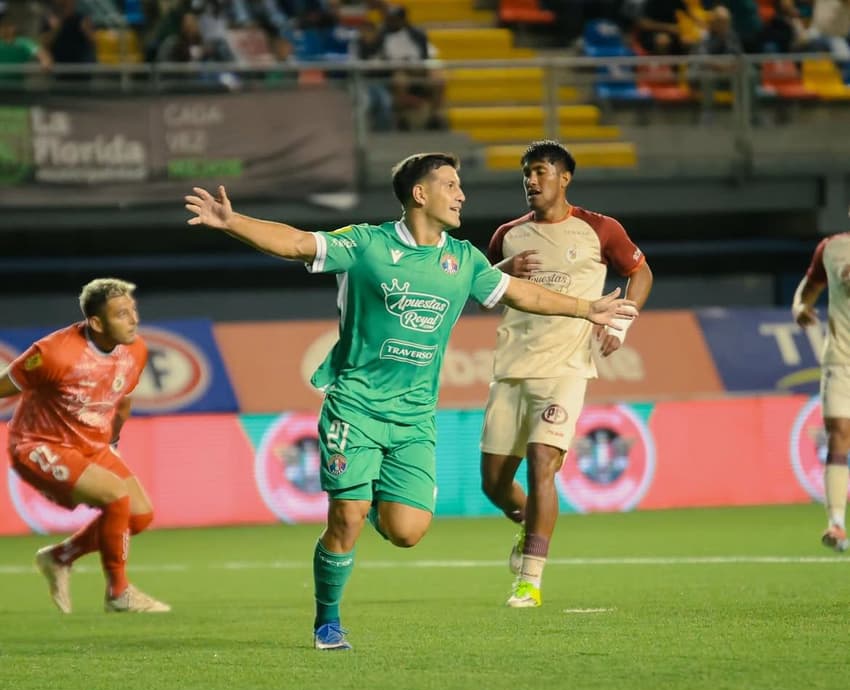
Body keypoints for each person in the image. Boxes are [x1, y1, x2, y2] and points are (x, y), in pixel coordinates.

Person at [184, 152, 638, 650]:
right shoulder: (365, 244)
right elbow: (296, 243)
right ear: (420, 195)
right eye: (451, 184)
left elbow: (522, 295)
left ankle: (375, 498)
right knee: (348, 515)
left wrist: (586, 308)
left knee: (407, 531)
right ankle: (327, 621)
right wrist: (232, 223)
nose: (462, 194)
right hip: (354, 404)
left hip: (415, 416)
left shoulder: (463, 260)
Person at [481, 140, 653, 608]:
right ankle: (528, 525)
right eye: (526, 174)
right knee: (493, 484)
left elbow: (641, 274)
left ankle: (530, 580)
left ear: (564, 177)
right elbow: (482, 288)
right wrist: (503, 268)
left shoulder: (600, 229)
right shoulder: (507, 235)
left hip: (566, 368)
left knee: (543, 464)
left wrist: (621, 320)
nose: (531, 182)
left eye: (539, 172)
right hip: (512, 369)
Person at [0, 278, 171, 614]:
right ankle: (118, 592)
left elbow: (121, 404)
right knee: (115, 495)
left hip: (91, 444)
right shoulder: (53, 353)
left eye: (133, 311)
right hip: (39, 444)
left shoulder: (135, 350)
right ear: (96, 322)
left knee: (139, 515)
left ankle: (59, 556)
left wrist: (114, 442)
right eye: (122, 314)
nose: (133, 319)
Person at [792, 211, 850, 552]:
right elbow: (810, 287)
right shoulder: (831, 248)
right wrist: (801, 306)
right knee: (838, 433)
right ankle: (836, 524)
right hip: (840, 358)